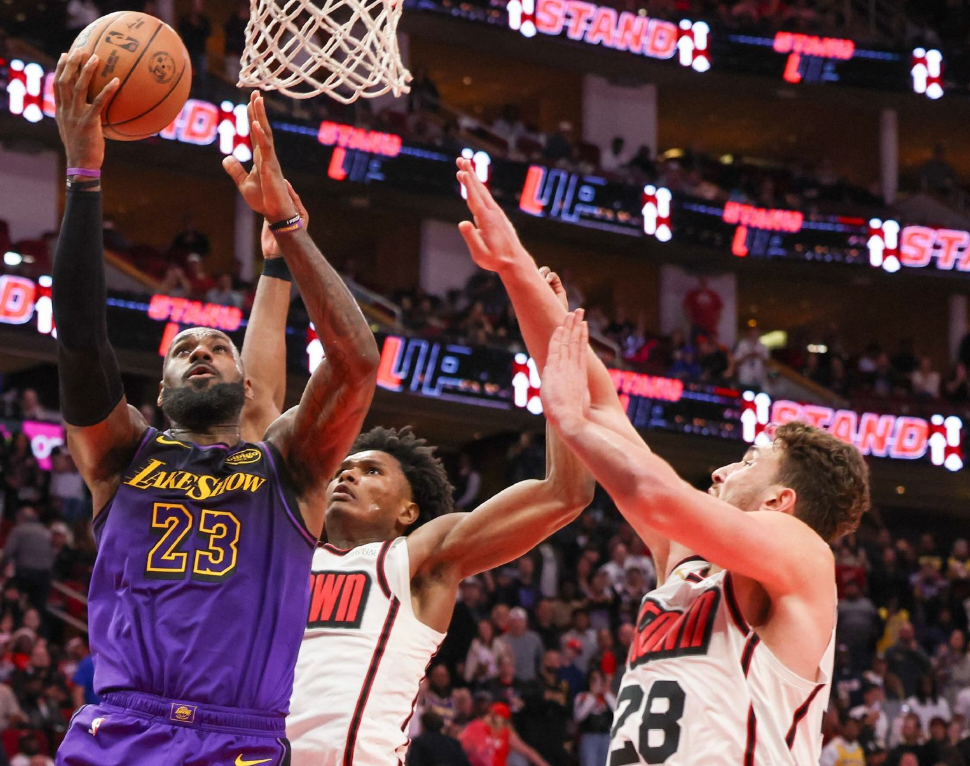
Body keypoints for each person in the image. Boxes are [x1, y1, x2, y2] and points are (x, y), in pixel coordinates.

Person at [457, 157, 871, 766]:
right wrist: (514, 267)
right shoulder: (690, 561)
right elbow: (597, 400)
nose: (721, 471)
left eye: (748, 462)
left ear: (780, 500)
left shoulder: (803, 554)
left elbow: (652, 491)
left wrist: (571, 425)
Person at [50, 62, 377, 766]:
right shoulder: (121, 455)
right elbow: (79, 337)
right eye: (183, 350)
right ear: (161, 391)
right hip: (122, 729)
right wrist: (83, 175)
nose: (201, 351)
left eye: (219, 348)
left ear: (244, 385)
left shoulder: (287, 465)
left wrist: (289, 231)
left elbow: (356, 363)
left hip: (240, 737)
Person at [269, 184, 592, 765]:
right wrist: (275, 263)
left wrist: (552, 348)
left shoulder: (417, 559)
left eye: (370, 470)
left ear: (408, 511)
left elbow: (565, 493)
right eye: (345, 468)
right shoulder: (287, 556)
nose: (347, 476)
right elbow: (256, 408)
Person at [459, 702, 548, 766]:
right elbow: (459, 746)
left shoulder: (507, 734)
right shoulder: (475, 727)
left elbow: (528, 752)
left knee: (518, 760)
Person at [1, 507, 53, 613]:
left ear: (20, 518)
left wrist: (1, 570)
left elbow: (8, 552)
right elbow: (52, 554)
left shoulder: (19, 530)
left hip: (24, 573)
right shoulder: (46, 532)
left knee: (13, 604)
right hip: (44, 575)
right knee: (37, 609)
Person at [574, 669, 616, 766]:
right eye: (595, 681)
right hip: (589, 736)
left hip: (606, 736)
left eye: (601, 681)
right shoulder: (582, 697)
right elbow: (578, 717)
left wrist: (607, 694)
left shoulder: (608, 697)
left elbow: (618, 711)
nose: (598, 684)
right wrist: (592, 697)